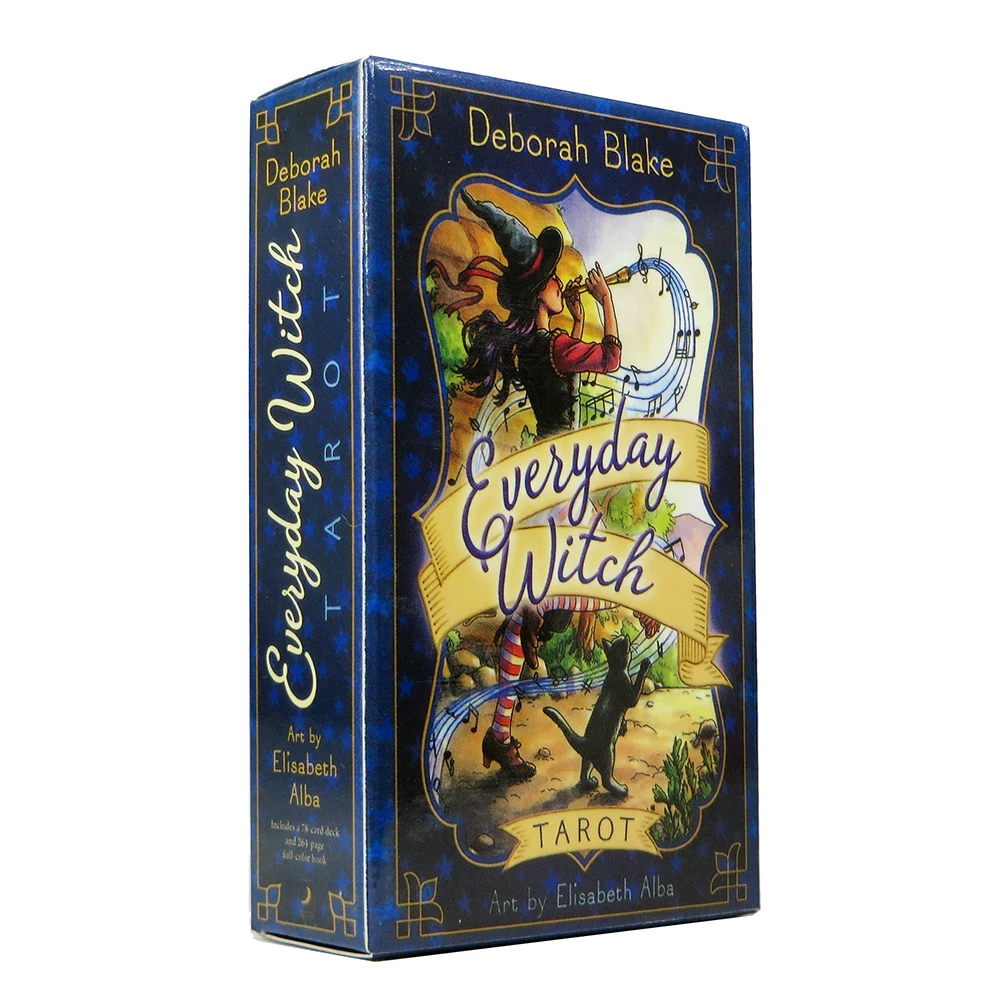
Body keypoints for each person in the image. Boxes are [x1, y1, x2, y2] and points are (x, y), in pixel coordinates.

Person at [428, 191, 657, 780]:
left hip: (548, 481)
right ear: (541, 293)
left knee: (538, 609)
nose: (562, 283)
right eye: (556, 279)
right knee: (590, 575)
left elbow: (564, 373)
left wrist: (576, 314)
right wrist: (605, 301)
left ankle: (503, 725)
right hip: (559, 487)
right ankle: (639, 617)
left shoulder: (537, 344)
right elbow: (608, 359)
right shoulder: (553, 346)